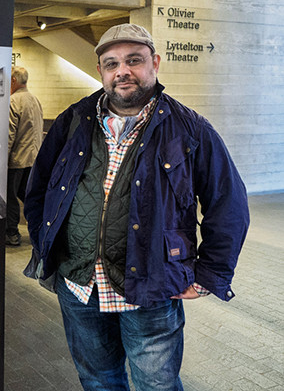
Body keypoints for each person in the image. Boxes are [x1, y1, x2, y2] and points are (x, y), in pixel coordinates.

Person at [23, 23, 249, 390]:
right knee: (98, 380)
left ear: (155, 64)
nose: (122, 71)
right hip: (79, 285)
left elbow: (229, 205)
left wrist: (210, 276)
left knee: (155, 386)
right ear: (101, 71)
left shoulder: (189, 128)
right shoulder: (75, 120)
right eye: (111, 63)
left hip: (152, 287)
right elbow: (39, 192)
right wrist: (46, 246)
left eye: (134, 60)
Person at [6, 66, 43, 246]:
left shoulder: (13, 101)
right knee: (29, 196)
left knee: (10, 197)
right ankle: (39, 228)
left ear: (13, 80)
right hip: (33, 158)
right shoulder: (35, 100)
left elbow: (9, 134)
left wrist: (1, 161)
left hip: (16, 160)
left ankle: (11, 233)